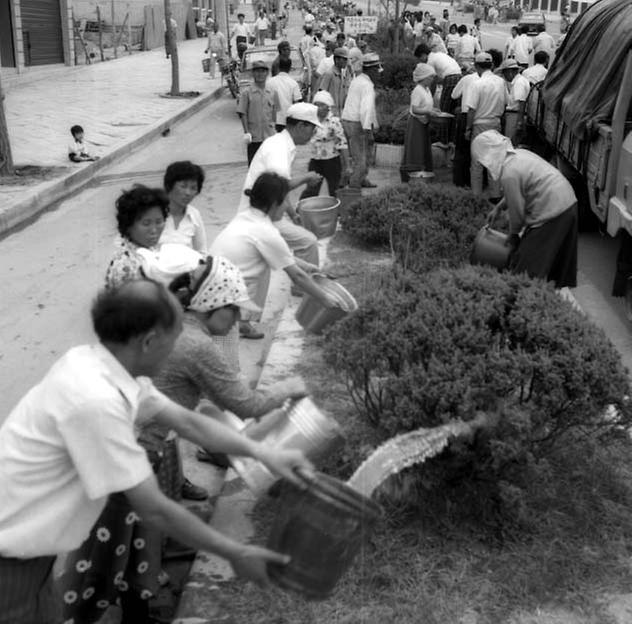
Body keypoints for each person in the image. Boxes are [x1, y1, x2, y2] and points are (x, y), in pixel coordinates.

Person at [0, 278, 313, 624]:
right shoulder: (95, 401)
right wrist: (236, 552)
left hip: (32, 559)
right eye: (175, 336)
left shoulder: (102, 366)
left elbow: (188, 423)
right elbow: (156, 511)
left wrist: (263, 453)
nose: (179, 345)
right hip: (10, 565)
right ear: (149, 342)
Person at [157, 256, 308, 444]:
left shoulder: (174, 322)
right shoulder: (197, 345)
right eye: (234, 309)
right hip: (150, 445)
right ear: (211, 303)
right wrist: (289, 387)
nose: (238, 318)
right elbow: (249, 406)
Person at [234, 103, 324, 336]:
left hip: (268, 212)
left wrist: (293, 214)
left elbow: (279, 190)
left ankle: (301, 285)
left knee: (304, 242)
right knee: (264, 264)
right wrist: (306, 179)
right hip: (257, 214)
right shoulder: (277, 148)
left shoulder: (283, 145)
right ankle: (303, 286)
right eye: (312, 129)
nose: (313, 134)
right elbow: (278, 186)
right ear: (301, 126)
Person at [212, 172, 340, 324]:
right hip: (222, 304)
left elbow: (278, 254)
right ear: (274, 204)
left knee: (261, 268)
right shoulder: (266, 231)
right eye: (285, 201)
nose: (287, 206)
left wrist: (306, 266)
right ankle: (239, 326)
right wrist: (326, 300)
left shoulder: (247, 217)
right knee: (224, 345)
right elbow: (297, 277)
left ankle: (243, 324)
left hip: (212, 288)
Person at [472, 130, 578, 288]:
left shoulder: (509, 173)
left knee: (527, 267)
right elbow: (518, 189)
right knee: (549, 261)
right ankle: (545, 297)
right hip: (567, 202)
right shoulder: (518, 154)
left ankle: (525, 301)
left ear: (488, 155)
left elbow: (517, 215)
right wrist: (499, 208)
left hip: (554, 211)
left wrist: (513, 236)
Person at [462, 51, 507, 197]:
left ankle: (477, 197)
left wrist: (468, 129)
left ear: (476, 66)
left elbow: (471, 109)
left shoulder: (477, 84)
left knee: (477, 163)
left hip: (480, 125)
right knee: (494, 161)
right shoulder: (501, 82)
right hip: (495, 124)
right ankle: (495, 196)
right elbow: (507, 102)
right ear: (492, 65)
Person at [299, 90, 350, 198]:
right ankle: (302, 210)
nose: (318, 108)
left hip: (331, 162)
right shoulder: (311, 121)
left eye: (322, 105)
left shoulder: (334, 122)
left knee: (333, 190)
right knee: (311, 189)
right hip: (315, 160)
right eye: (316, 105)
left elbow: (343, 144)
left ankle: (336, 212)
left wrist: (348, 166)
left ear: (328, 107)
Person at [341, 50, 380, 189]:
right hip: (357, 124)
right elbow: (366, 110)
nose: (378, 74)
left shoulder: (358, 80)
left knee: (363, 154)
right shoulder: (366, 85)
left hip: (348, 120)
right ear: (372, 70)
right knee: (361, 159)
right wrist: (368, 131)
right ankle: (354, 186)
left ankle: (361, 179)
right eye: (377, 70)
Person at [160, 161, 208, 254]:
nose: (188, 193)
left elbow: (202, 252)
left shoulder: (194, 215)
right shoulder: (153, 213)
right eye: (183, 186)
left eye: (193, 188)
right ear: (169, 185)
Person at [237, 60, 279, 165]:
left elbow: (275, 112)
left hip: (269, 136)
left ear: (267, 73)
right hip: (254, 137)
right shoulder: (247, 93)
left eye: (263, 71)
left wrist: (274, 129)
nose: (260, 74)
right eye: (257, 71)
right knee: (254, 167)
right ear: (252, 73)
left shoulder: (273, 92)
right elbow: (243, 113)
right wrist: (246, 132)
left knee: (270, 166)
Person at [401, 63, 436, 180]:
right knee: (415, 149)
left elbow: (427, 105)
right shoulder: (418, 90)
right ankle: (412, 174)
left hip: (424, 123)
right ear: (423, 77)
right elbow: (415, 109)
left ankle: (423, 172)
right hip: (416, 123)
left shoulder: (427, 90)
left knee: (423, 149)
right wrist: (428, 111)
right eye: (430, 77)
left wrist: (433, 110)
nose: (432, 79)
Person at [500, 58, 531, 145]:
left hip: (515, 115)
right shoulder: (519, 81)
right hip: (514, 115)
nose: (504, 77)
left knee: (510, 143)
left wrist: (519, 123)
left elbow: (522, 102)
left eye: (504, 73)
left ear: (509, 72)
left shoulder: (519, 83)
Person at [268, 57, 303, 131]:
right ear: (290, 68)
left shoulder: (269, 82)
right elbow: (297, 102)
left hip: (272, 120)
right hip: (288, 119)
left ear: (278, 67)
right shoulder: (293, 83)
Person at [318, 46, 351, 117]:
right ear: (336, 59)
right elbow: (321, 95)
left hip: (338, 113)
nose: (346, 62)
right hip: (330, 114)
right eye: (344, 59)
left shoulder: (342, 74)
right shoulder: (329, 74)